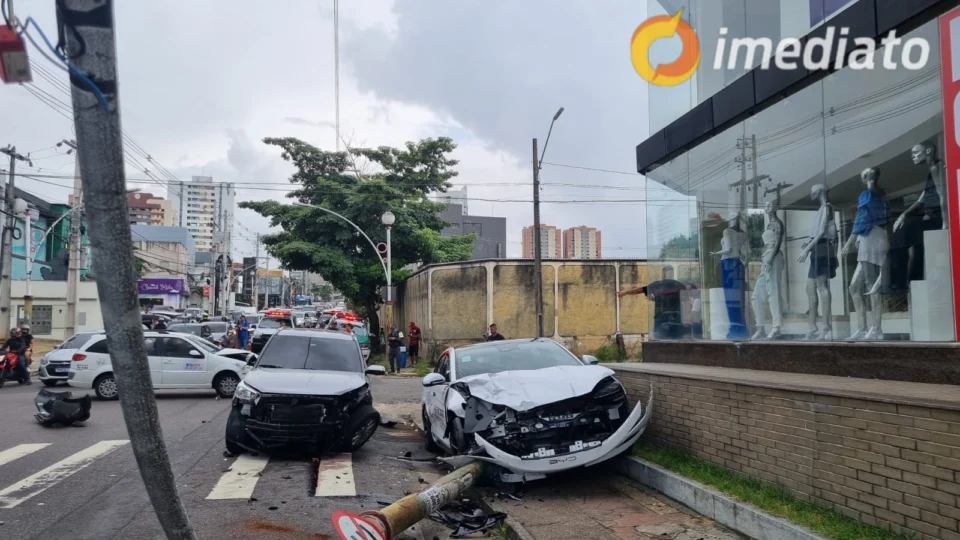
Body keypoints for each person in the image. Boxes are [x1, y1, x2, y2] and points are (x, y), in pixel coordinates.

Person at [618, 266, 689, 340]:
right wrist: (687, 318)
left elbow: (642, 289)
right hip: (675, 317)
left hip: (661, 317)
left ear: (663, 274)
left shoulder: (658, 285)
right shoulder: (679, 285)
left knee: (659, 341)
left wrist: (626, 292)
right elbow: (687, 301)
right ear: (672, 274)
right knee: (676, 340)